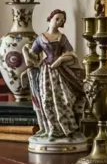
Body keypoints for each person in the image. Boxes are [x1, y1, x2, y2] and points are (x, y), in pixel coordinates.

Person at [23, 9, 85, 142]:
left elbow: (71, 53)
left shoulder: (62, 38)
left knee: (64, 99)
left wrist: (61, 60)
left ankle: (68, 129)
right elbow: (33, 55)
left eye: (62, 20)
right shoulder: (40, 38)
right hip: (46, 71)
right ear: (50, 18)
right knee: (46, 100)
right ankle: (53, 130)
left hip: (60, 71)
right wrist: (26, 52)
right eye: (57, 18)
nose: (59, 22)